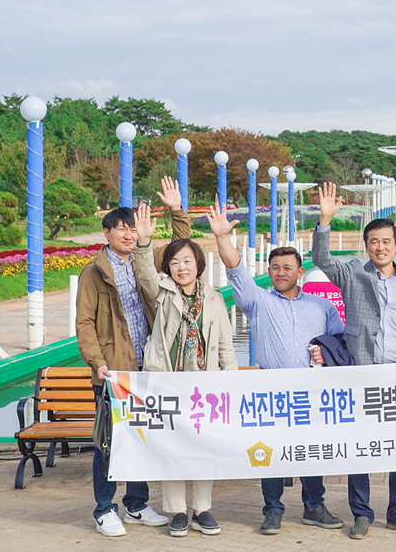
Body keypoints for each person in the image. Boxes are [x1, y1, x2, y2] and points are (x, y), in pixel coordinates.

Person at [207, 203, 347, 536]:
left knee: (310, 450)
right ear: (269, 273)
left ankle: (314, 506)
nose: (280, 272)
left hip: (311, 390)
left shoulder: (323, 306)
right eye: (275, 268)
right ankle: (272, 509)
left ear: (300, 272)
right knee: (271, 451)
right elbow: (236, 269)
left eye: (287, 267)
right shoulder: (258, 302)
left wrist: (326, 352)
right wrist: (222, 237)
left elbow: (341, 342)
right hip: (272, 388)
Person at [74, 177, 190, 538]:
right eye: (121, 229)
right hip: (113, 371)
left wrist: (176, 209)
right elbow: (84, 322)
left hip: (147, 367)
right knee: (108, 444)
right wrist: (97, 363)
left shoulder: (146, 258)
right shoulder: (94, 272)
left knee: (142, 438)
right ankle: (104, 509)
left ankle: (136, 505)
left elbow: (181, 248)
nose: (128, 234)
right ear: (107, 233)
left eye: (132, 228)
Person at [310, 182, 396, 540]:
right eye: (374, 241)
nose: (380, 247)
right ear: (366, 246)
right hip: (363, 373)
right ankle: (361, 513)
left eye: (386, 241)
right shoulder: (352, 274)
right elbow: (322, 260)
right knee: (360, 446)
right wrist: (325, 221)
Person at [136, 202, 238, 539]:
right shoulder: (162, 293)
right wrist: (144, 242)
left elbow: (225, 346)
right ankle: (177, 511)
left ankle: (202, 509)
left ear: (199, 265)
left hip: (205, 386)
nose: (182, 268)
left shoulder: (215, 299)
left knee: (203, 447)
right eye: (175, 262)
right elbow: (145, 274)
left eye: (187, 261)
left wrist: (231, 383)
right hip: (167, 383)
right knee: (172, 448)